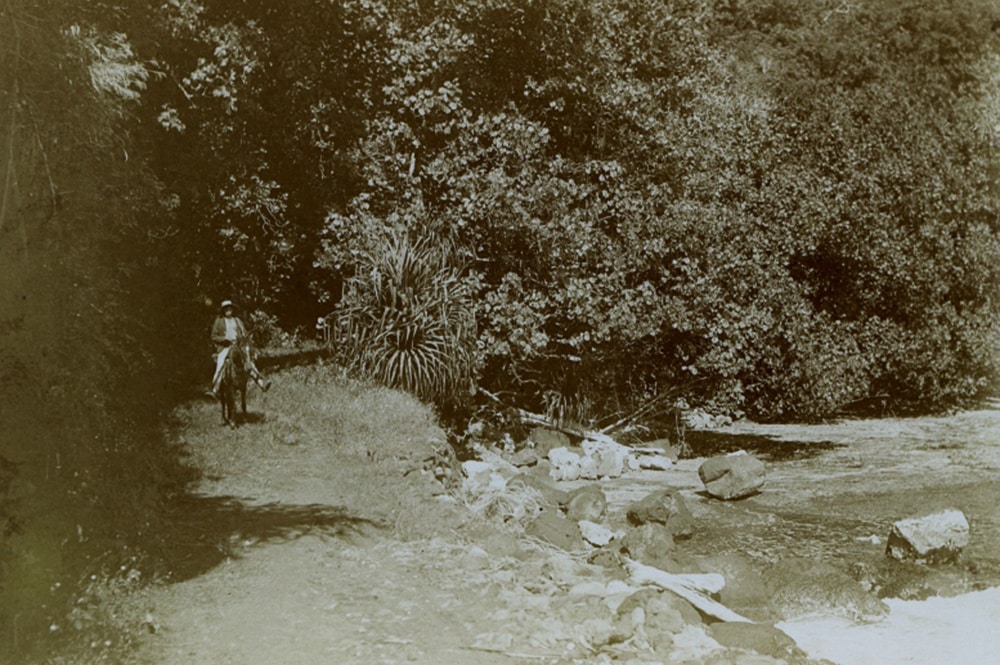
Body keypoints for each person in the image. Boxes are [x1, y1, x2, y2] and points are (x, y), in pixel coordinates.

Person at [209, 300, 271, 396]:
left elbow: (245, 335)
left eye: (230, 308)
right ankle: (214, 390)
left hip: (238, 346)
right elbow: (213, 337)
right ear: (223, 311)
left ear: (232, 310)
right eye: (226, 309)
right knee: (220, 365)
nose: (228, 310)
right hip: (225, 347)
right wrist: (225, 339)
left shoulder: (238, 321)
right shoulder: (218, 321)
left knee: (249, 363)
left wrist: (245, 340)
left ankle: (262, 383)